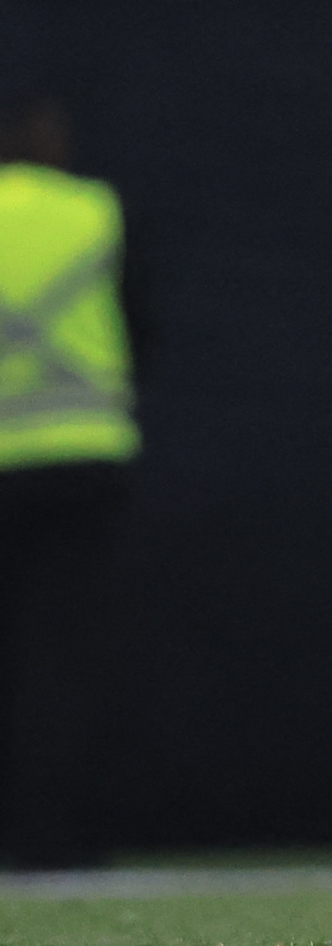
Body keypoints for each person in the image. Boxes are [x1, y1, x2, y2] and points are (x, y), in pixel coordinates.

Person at [0, 97, 141, 867]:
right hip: (82, 456)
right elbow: (139, 319)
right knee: (60, 662)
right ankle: (54, 836)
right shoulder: (92, 209)